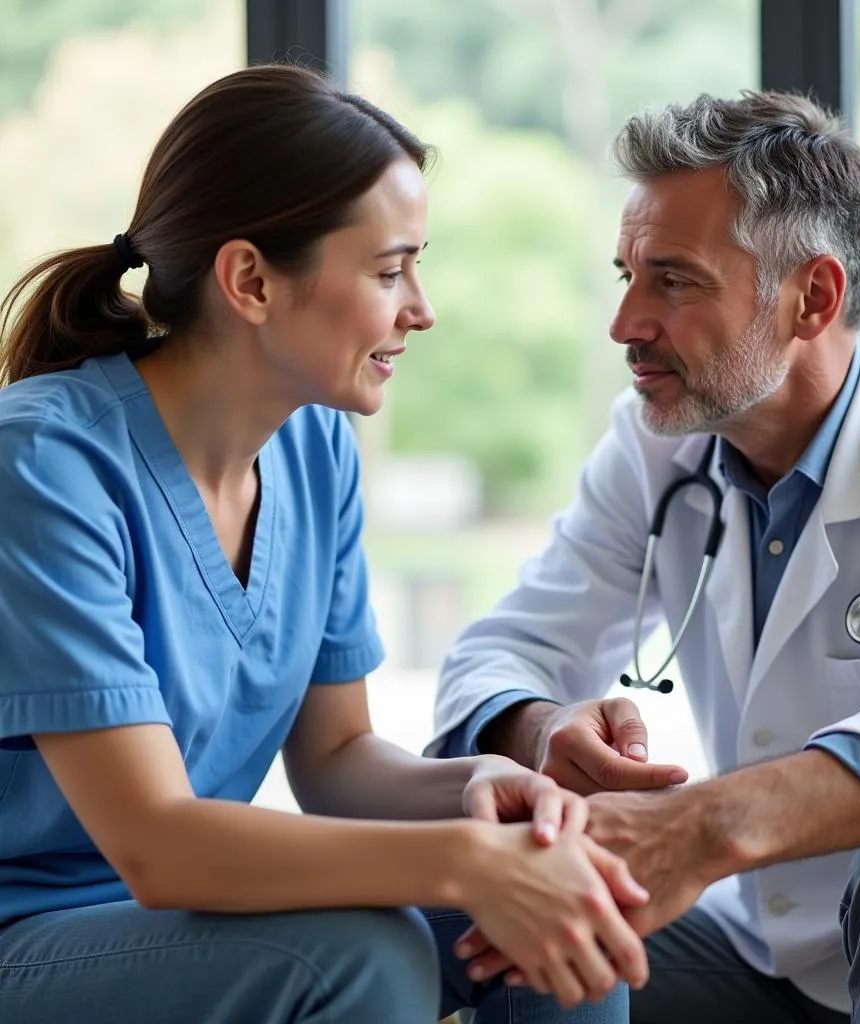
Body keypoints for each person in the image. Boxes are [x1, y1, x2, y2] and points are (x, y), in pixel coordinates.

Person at [0, 64, 654, 1024]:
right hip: (31, 935)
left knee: (565, 912)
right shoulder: (43, 466)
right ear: (251, 281)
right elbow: (159, 845)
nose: (420, 308)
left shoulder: (314, 451)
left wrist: (488, 786)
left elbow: (338, 757)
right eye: (390, 271)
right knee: (364, 954)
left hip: (181, 910)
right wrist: (466, 862)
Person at [430, 90, 860, 1023]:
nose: (626, 323)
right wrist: (545, 732)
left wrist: (703, 827)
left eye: (673, 280)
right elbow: (502, 652)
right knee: (533, 897)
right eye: (625, 274)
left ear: (813, 297)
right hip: (760, 948)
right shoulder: (656, 445)